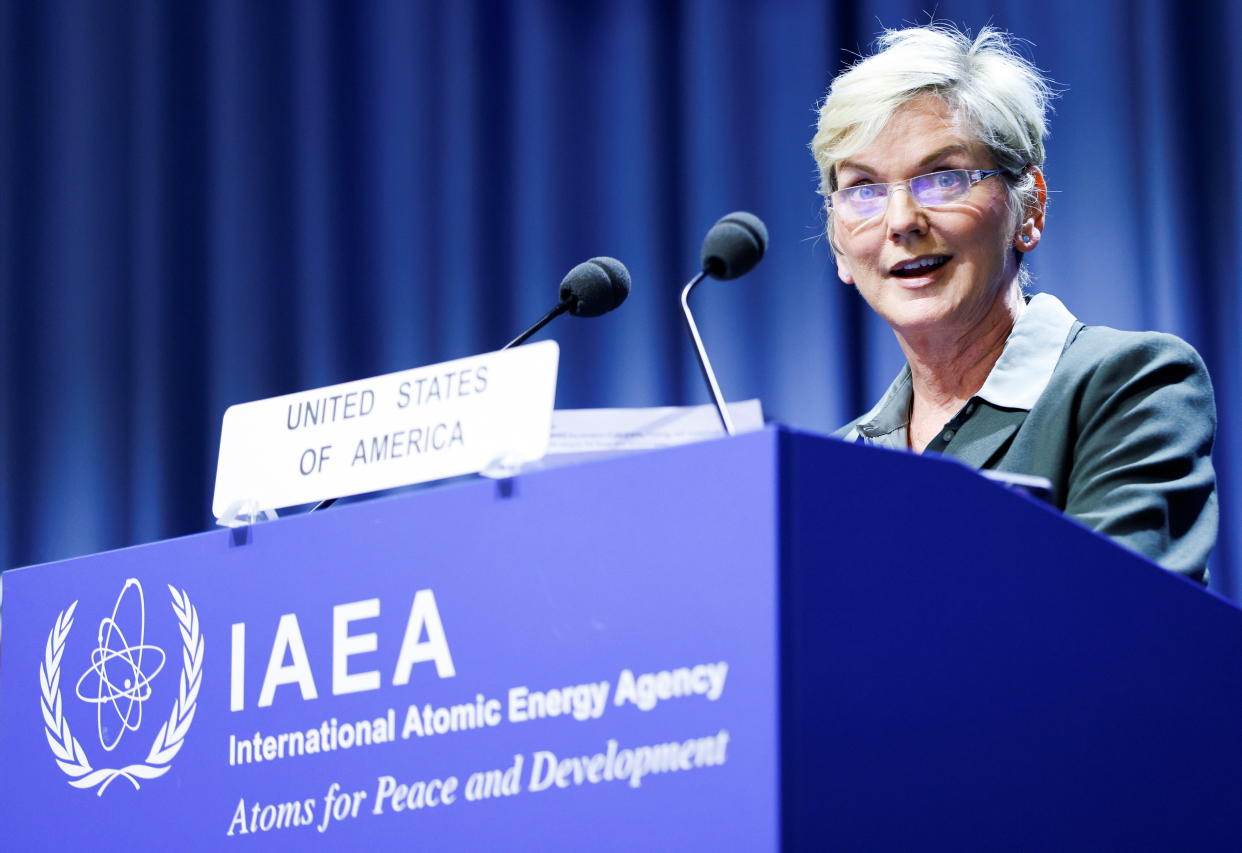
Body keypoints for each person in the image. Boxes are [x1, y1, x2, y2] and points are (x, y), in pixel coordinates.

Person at [811, 25, 1217, 582]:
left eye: (943, 178)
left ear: (1029, 210)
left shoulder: (1127, 384)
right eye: (863, 189)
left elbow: (1121, 623)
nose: (901, 221)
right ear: (838, 244)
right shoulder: (841, 461)